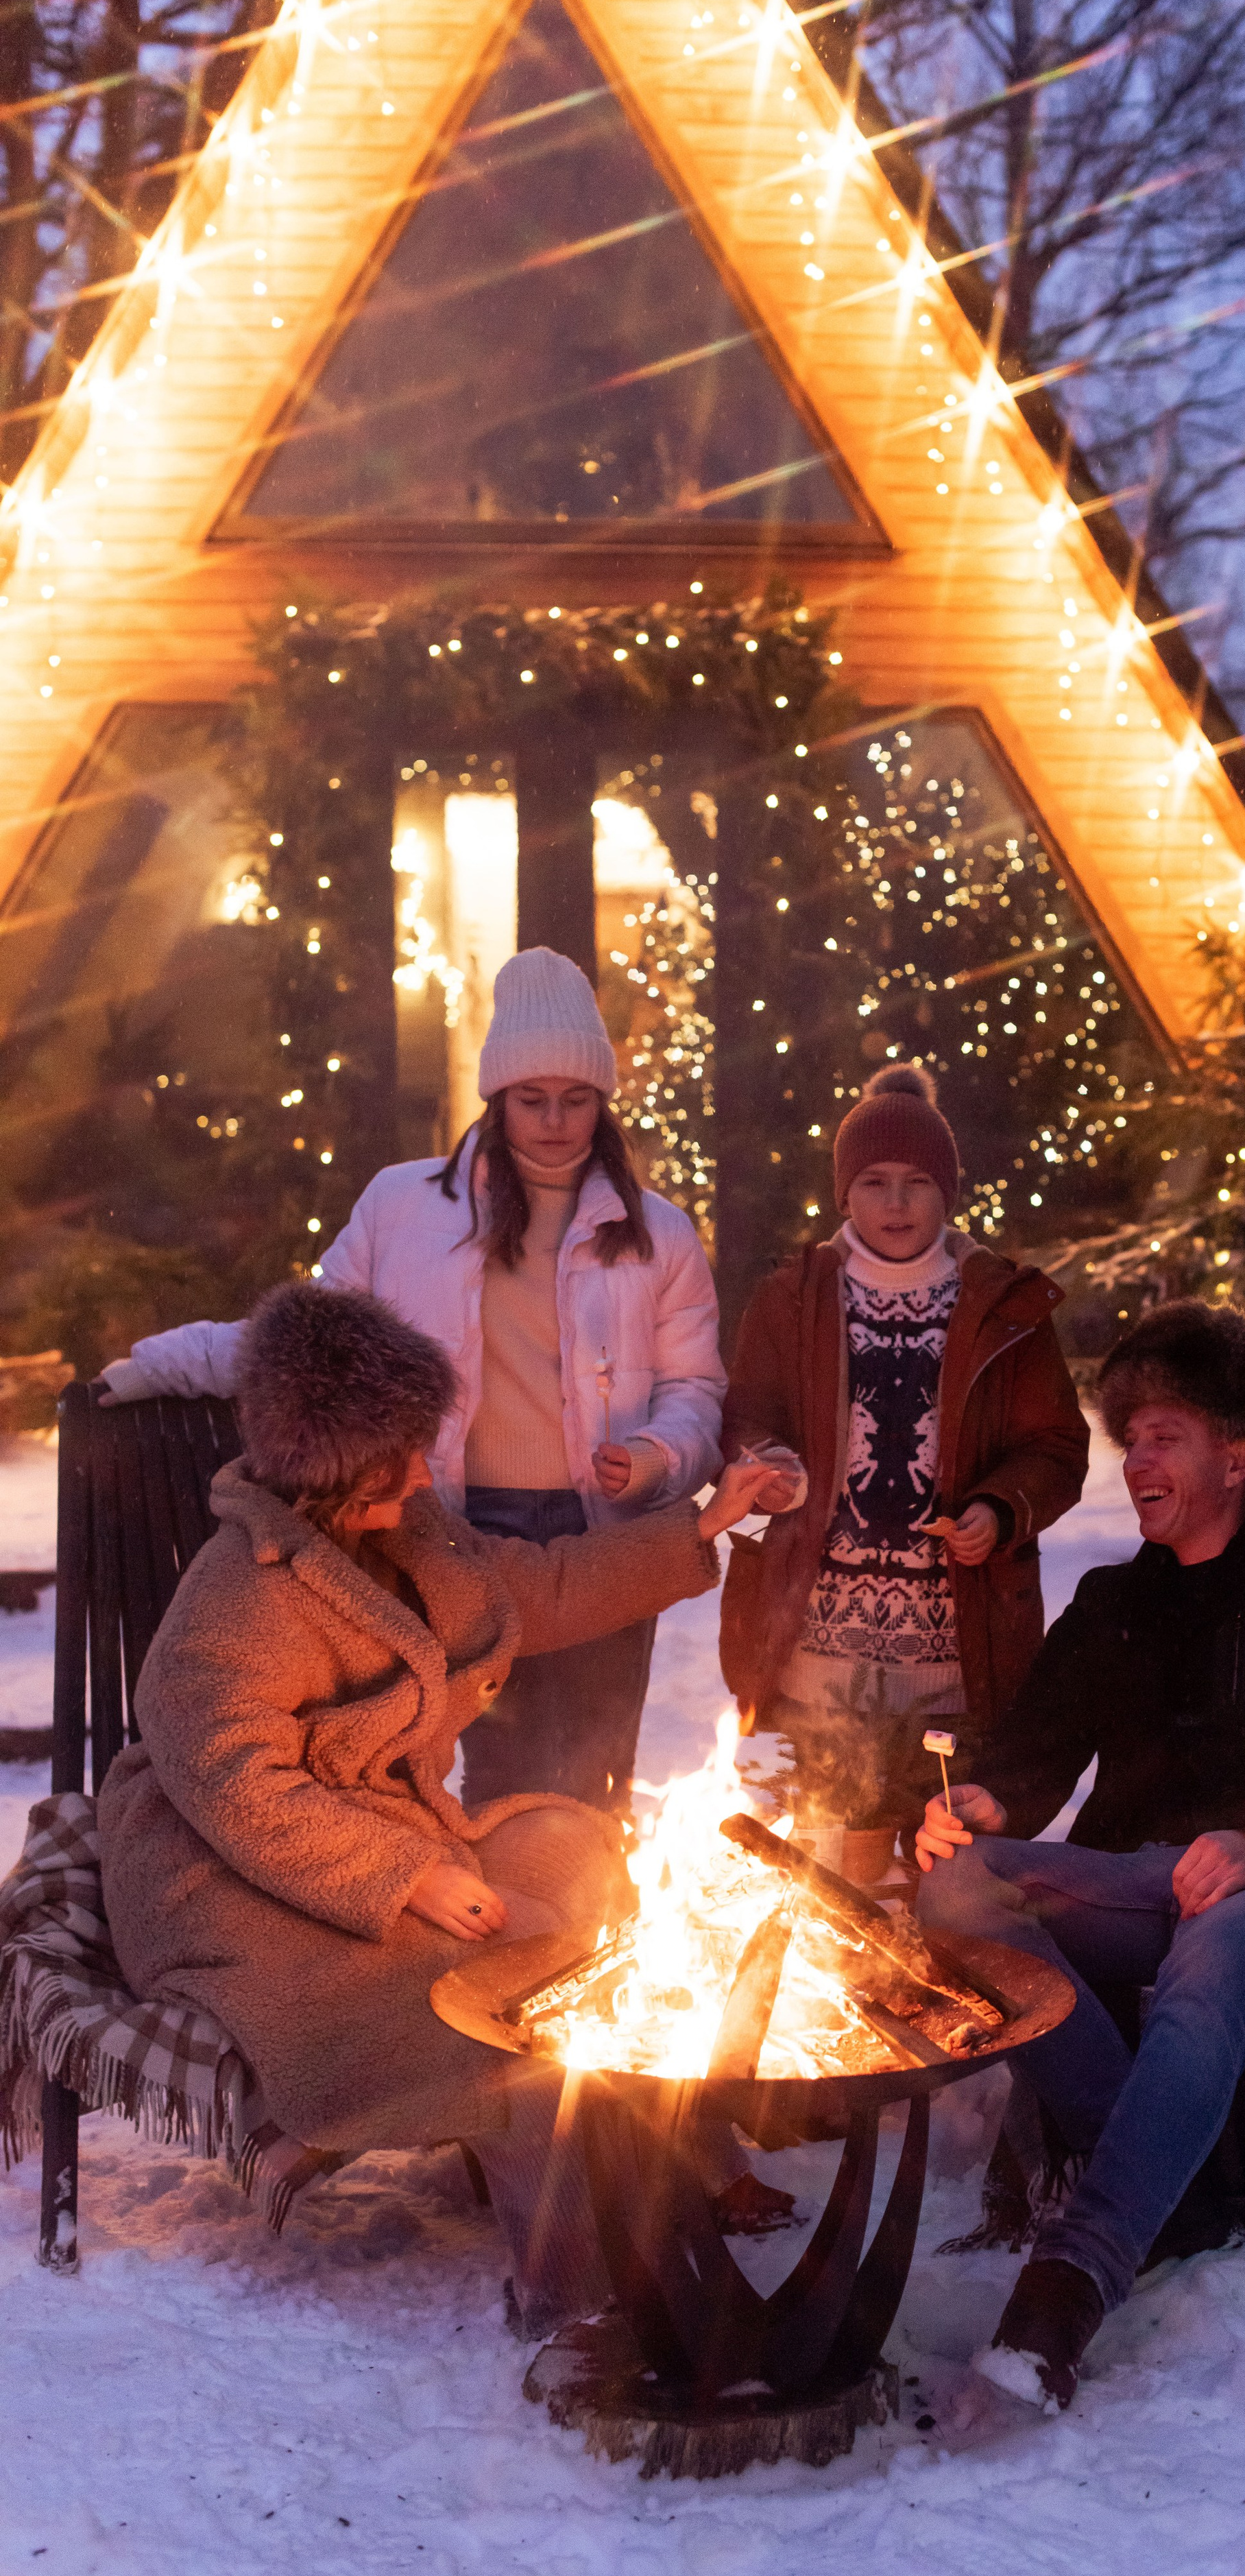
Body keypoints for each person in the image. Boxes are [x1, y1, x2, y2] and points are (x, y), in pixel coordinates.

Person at [97, 1280, 788, 2339]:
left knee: (571, 1854)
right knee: (492, 2015)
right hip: (225, 1874)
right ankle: (577, 2304)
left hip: (376, 1827)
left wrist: (703, 1521)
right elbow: (239, 1786)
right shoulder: (238, 1597)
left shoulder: (409, 1530)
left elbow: (537, 1586)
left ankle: (671, 2155)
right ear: (334, 1473)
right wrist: (408, 1875)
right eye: (401, 1458)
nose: (425, 1472)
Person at [914, 1301, 1245, 2411]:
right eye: (1132, 1439)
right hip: (1145, 1881)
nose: (1138, 1462)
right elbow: (1033, 1753)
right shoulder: (1116, 1602)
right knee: (958, 1888)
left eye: (1165, 1437)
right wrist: (983, 1797)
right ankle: (1178, 2176)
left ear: (1240, 1456)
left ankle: (1069, 2285)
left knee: (1220, 1943)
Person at [99, 946, 723, 1820]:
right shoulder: (405, 1209)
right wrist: (162, 1362)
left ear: (603, 1100)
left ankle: (588, 1903)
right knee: (498, 1771)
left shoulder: (657, 1233)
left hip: (604, 1528)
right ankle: (501, 1906)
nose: (554, 1120)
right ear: (497, 1097)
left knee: (594, 1773)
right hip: (456, 1524)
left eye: (576, 1098)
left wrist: (657, 1455)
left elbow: (696, 1387)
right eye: (531, 1098)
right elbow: (306, 1340)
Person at [719, 1064, 1088, 1880]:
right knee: (835, 1881)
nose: (895, 1202)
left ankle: (939, 1959)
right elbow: (748, 1416)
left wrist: (999, 1508)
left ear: (947, 1192)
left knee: (946, 1878)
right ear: (844, 1192)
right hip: (821, 1654)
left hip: (952, 1655)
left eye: (917, 1183)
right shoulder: (794, 1297)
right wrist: (772, 1470)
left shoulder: (1002, 1307)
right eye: (874, 1182)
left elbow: (1056, 1446)